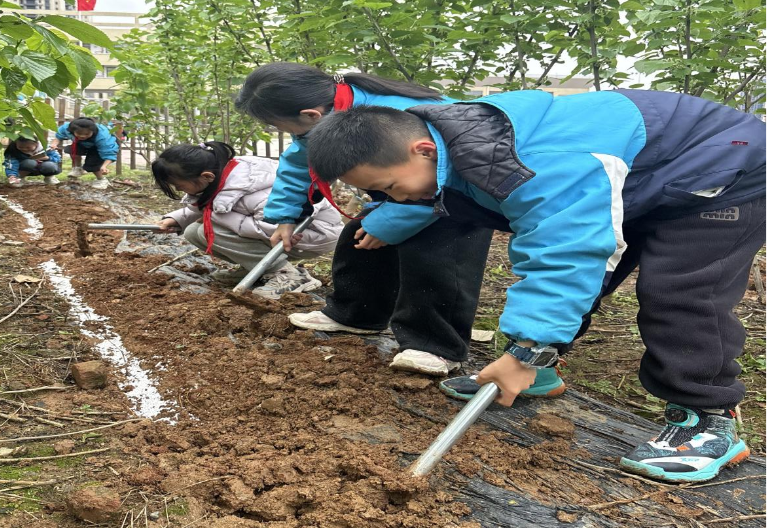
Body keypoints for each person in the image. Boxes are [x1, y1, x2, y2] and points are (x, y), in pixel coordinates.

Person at [305, 89, 765, 484]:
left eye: (389, 187)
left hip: (720, 172)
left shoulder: (534, 162)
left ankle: (705, 420)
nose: (394, 198)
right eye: (379, 194)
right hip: (638, 179)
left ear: (424, 150)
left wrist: (525, 347)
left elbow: (566, 251)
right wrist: (391, 212)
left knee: (680, 294)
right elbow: (526, 233)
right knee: (585, 275)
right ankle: (537, 366)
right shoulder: (455, 152)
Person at [235, 62, 498, 376]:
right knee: (358, 238)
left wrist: (385, 224)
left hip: (453, 195)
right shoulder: (323, 118)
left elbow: (436, 178)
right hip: (401, 191)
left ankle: (436, 345)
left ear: (310, 115)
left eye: (283, 127)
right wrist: (286, 216)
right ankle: (356, 314)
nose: (287, 134)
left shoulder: (401, 114)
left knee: (435, 258)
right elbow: (298, 165)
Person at [152, 141, 343, 299]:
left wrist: (215, 218)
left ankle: (289, 276)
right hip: (278, 233)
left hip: (308, 233)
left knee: (209, 229)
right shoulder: (222, 176)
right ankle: (258, 269)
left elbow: (271, 229)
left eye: (179, 185)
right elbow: (205, 204)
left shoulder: (256, 190)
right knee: (193, 231)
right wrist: (176, 219)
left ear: (206, 176)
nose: (178, 190)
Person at [51, 117, 118, 190]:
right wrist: (54, 144)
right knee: (71, 149)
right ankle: (78, 168)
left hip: (100, 146)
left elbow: (109, 153)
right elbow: (59, 135)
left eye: (87, 134)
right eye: (79, 134)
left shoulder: (102, 136)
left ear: (92, 131)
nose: (83, 136)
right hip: (83, 143)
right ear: (73, 131)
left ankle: (102, 180)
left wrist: (104, 166)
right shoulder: (67, 128)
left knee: (92, 163)